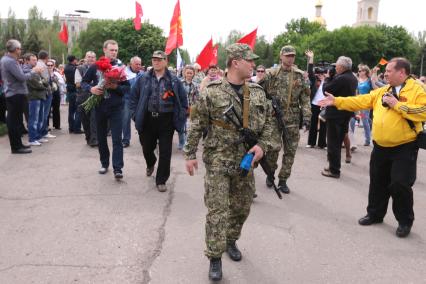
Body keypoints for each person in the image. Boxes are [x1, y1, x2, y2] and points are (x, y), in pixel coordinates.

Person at [184, 43, 272, 281]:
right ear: (235, 62)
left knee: (242, 208)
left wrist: (262, 146)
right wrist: (190, 154)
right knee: (217, 210)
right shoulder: (211, 91)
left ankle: (230, 240)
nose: (253, 64)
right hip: (218, 161)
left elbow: (270, 127)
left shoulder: (257, 92)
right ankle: (214, 256)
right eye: (249, 61)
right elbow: (197, 124)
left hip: (245, 163)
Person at [319, 57, 426, 238]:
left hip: (404, 147)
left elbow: (423, 111)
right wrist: (337, 101)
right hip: (381, 146)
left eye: (390, 71)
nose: (386, 73)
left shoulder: (417, 89)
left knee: (400, 184)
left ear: (402, 72)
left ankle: (404, 221)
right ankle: (375, 214)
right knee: (377, 182)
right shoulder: (383, 90)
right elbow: (361, 101)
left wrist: (397, 105)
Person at [130, 50, 188, 192]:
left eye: (159, 59)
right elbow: (133, 97)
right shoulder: (143, 78)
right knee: (146, 148)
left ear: (165, 61)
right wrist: (135, 115)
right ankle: (151, 163)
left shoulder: (174, 80)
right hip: (147, 119)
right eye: (154, 59)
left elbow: (183, 100)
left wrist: (182, 115)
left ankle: (161, 180)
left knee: (165, 151)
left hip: (166, 120)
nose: (156, 62)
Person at [260, 45, 311, 194]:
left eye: (292, 56)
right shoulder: (271, 73)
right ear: (281, 56)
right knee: (273, 149)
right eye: (287, 55)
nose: (290, 58)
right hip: (274, 118)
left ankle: (283, 180)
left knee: (290, 151)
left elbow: (305, 98)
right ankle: (270, 174)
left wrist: (307, 117)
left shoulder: (300, 75)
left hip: (293, 119)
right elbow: (259, 92)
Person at [81, 40, 128, 179]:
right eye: (111, 50)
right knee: (101, 138)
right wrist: (91, 89)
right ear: (105, 50)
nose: (114, 52)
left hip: (116, 108)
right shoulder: (95, 66)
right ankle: (104, 163)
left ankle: (118, 168)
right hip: (99, 106)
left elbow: (127, 88)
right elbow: (84, 82)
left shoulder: (120, 67)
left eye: (116, 50)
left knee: (116, 139)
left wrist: (116, 87)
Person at [0, 39, 42, 154]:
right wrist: (34, 71)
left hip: (14, 93)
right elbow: (22, 77)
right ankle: (16, 147)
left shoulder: (7, 59)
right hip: (15, 94)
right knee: (14, 121)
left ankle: (18, 145)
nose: (20, 50)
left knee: (17, 121)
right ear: (16, 49)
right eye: (19, 48)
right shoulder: (10, 61)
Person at [321, 56, 358, 178]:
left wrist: (326, 79)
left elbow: (326, 90)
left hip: (336, 114)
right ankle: (333, 166)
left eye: (336, 65)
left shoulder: (342, 78)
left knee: (333, 143)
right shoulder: (353, 77)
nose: (335, 67)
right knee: (337, 142)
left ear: (342, 66)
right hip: (346, 113)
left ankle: (334, 170)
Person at [24, 53, 48, 146]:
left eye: (36, 60)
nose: (35, 61)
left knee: (39, 118)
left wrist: (42, 83)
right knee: (33, 119)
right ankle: (32, 138)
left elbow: (44, 80)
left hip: (39, 96)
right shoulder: (27, 70)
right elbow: (36, 84)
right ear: (27, 61)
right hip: (33, 97)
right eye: (33, 60)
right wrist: (43, 84)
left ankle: (37, 136)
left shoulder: (35, 70)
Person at [306, 50, 327, 149]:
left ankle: (322, 144)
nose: (320, 74)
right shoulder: (314, 79)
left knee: (324, 125)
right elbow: (310, 72)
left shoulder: (329, 80)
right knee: (313, 123)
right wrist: (311, 58)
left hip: (325, 105)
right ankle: (311, 143)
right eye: (318, 72)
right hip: (314, 104)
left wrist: (326, 79)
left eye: (322, 72)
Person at [76, 51, 97, 146]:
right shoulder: (80, 68)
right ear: (85, 58)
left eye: (93, 57)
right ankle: (88, 137)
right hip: (83, 97)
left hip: (95, 98)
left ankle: (94, 139)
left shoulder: (98, 68)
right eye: (89, 57)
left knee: (94, 119)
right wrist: (91, 85)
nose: (91, 59)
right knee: (85, 120)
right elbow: (78, 84)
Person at [122, 56, 142, 148]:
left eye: (139, 64)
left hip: (140, 101)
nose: (138, 66)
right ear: (131, 64)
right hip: (127, 100)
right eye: (136, 64)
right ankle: (126, 140)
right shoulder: (125, 73)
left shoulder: (142, 74)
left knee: (141, 120)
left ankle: (143, 139)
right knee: (125, 120)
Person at [178, 64, 199, 150]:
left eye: (191, 73)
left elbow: (198, 97)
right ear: (184, 73)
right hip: (181, 108)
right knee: (181, 127)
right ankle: (181, 142)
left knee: (189, 127)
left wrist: (196, 107)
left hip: (191, 108)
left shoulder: (195, 85)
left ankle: (187, 144)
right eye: (188, 73)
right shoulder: (180, 83)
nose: (189, 74)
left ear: (193, 74)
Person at [64, 55, 83, 134]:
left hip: (69, 89)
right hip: (75, 90)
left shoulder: (66, 67)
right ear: (74, 60)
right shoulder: (75, 68)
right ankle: (76, 128)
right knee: (78, 110)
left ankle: (71, 127)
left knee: (71, 110)